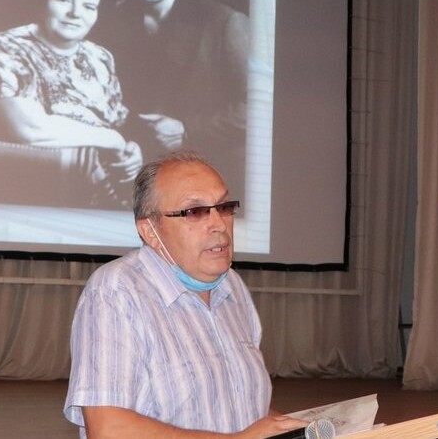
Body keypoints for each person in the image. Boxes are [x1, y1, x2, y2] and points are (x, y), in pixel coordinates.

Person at [64, 151, 304, 438]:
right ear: (150, 231)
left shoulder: (232, 286)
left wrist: (296, 429)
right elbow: (109, 429)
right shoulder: (117, 291)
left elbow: (241, 410)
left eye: (224, 207)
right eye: (195, 212)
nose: (219, 224)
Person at [0, 0, 178, 208]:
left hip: (107, 182)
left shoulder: (99, 56)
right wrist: (113, 141)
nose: (75, 13)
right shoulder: (4, 48)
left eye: (89, 7)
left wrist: (131, 150)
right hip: (45, 184)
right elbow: (29, 129)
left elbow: (117, 121)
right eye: (64, 0)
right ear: (44, 2)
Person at [96, 0, 252, 200]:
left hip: (209, 171)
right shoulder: (112, 22)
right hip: (136, 171)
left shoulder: (225, 22)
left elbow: (258, 109)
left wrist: (188, 130)